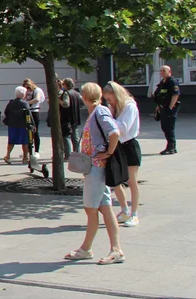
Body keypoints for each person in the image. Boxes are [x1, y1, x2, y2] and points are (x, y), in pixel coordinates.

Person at [64, 83, 125, 265]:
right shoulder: (98, 112)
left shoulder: (99, 112)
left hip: (97, 167)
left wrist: (108, 152)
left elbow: (114, 132)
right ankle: (114, 250)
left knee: (91, 209)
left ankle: (87, 249)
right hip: (96, 166)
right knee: (104, 208)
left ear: (84, 97)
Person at [104, 81, 142, 227]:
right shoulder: (114, 108)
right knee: (116, 180)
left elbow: (123, 128)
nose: (109, 102)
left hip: (129, 145)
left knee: (131, 181)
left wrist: (109, 119)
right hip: (117, 145)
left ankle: (134, 214)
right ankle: (124, 210)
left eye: (109, 99)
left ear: (116, 94)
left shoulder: (129, 106)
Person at [153, 65, 180, 155]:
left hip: (169, 108)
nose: (162, 72)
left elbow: (175, 94)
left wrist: (170, 107)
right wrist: (158, 106)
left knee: (169, 127)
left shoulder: (172, 81)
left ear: (169, 71)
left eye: (164, 71)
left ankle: (171, 147)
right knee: (164, 127)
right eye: (161, 71)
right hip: (162, 107)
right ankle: (170, 146)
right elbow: (159, 95)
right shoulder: (162, 82)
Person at [3, 87, 31, 164]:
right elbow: (28, 115)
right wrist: (32, 124)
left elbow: (6, 112)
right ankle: (25, 158)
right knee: (24, 142)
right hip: (22, 125)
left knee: (11, 141)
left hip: (12, 125)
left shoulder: (11, 102)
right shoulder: (25, 103)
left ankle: (7, 156)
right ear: (23, 94)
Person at [59, 78, 85, 156]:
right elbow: (82, 103)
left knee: (66, 136)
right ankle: (77, 152)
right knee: (75, 135)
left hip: (67, 117)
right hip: (75, 117)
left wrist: (59, 100)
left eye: (63, 84)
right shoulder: (77, 93)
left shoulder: (66, 93)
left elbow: (66, 104)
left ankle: (68, 154)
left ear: (65, 85)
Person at [23, 79, 44, 153]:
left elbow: (37, 99)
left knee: (35, 131)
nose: (27, 89)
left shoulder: (37, 90)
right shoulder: (26, 91)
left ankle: (36, 151)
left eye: (28, 87)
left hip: (34, 111)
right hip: (27, 111)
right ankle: (29, 151)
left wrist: (27, 102)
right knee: (28, 132)